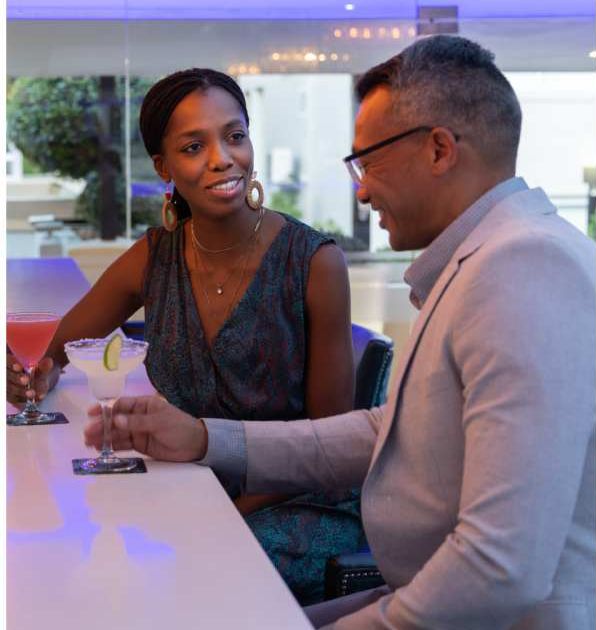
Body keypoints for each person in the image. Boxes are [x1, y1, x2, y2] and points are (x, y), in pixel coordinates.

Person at [85, 36, 596, 629]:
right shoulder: (484, 261)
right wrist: (204, 439)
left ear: (437, 150)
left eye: (367, 160)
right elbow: (384, 430)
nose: (360, 188)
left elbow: (497, 571)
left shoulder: (525, 266)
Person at [8, 68, 363, 604]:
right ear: (164, 166)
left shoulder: (314, 261)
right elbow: (54, 350)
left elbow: (330, 449)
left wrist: (213, 514)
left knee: (188, 586)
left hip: (296, 505)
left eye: (235, 136)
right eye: (195, 145)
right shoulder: (154, 257)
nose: (223, 158)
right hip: (186, 491)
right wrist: (37, 374)